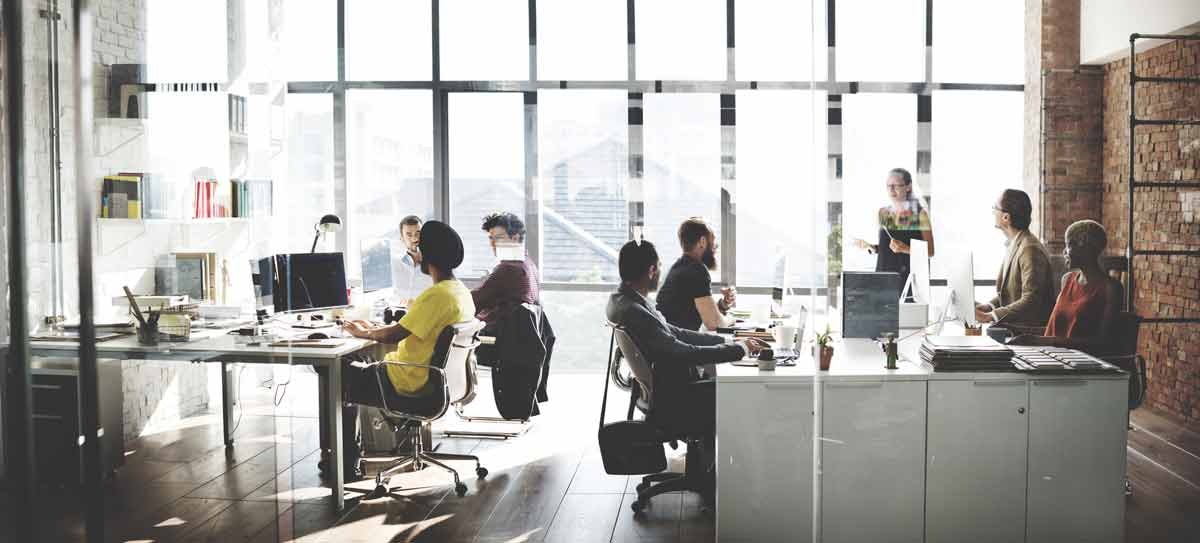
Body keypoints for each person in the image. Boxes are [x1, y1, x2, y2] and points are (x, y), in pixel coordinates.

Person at [606, 239, 766, 489]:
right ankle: (744, 483)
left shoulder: (624, 300)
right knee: (737, 391)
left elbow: (674, 333)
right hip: (674, 400)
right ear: (651, 270)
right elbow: (680, 351)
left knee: (721, 384)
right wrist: (736, 350)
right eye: (658, 266)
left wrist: (726, 341)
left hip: (660, 393)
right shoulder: (635, 310)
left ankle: (711, 472)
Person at [338, 220, 476, 479]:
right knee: (357, 361)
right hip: (436, 381)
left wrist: (363, 332)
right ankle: (350, 455)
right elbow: (410, 327)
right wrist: (372, 329)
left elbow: (394, 334)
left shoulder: (436, 295)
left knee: (338, 370)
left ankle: (344, 463)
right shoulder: (459, 291)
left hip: (406, 380)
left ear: (427, 254)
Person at [1008, 220, 1123, 353]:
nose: (1064, 251)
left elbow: (1102, 342)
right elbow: (1055, 330)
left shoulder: (1111, 288)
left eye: (1069, 244)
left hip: (1081, 364)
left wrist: (1038, 341)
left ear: (1086, 248)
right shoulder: (1067, 280)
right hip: (1052, 356)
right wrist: (1017, 329)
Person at [974, 189, 1056, 327]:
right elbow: (1012, 292)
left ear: (1006, 217)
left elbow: (1031, 300)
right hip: (1014, 328)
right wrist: (990, 306)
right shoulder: (1016, 243)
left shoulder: (1030, 249)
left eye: (995, 208)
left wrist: (990, 317)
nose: (993, 212)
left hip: (1028, 333)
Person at [853, 168, 935, 281]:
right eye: (888, 186)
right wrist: (872, 247)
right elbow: (887, 248)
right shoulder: (883, 213)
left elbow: (930, 251)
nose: (891, 190)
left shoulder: (920, 215)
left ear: (908, 187)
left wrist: (906, 249)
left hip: (908, 281)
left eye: (896, 185)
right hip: (883, 279)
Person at [654, 218, 737, 331]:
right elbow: (714, 324)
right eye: (713, 241)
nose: (716, 246)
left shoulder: (680, 267)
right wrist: (731, 319)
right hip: (676, 343)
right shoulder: (696, 270)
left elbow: (701, 312)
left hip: (670, 337)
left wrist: (723, 304)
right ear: (702, 242)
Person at [472, 212, 541, 325]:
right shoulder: (529, 264)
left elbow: (474, 302)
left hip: (497, 338)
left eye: (499, 238)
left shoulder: (509, 269)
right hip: (514, 337)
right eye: (491, 238)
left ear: (515, 238)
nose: (493, 244)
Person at [391, 215, 433, 306]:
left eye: (418, 233)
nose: (415, 239)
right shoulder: (395, 263)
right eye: (409, 235)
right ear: (401, 238)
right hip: (401, 313)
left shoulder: (435, 264)